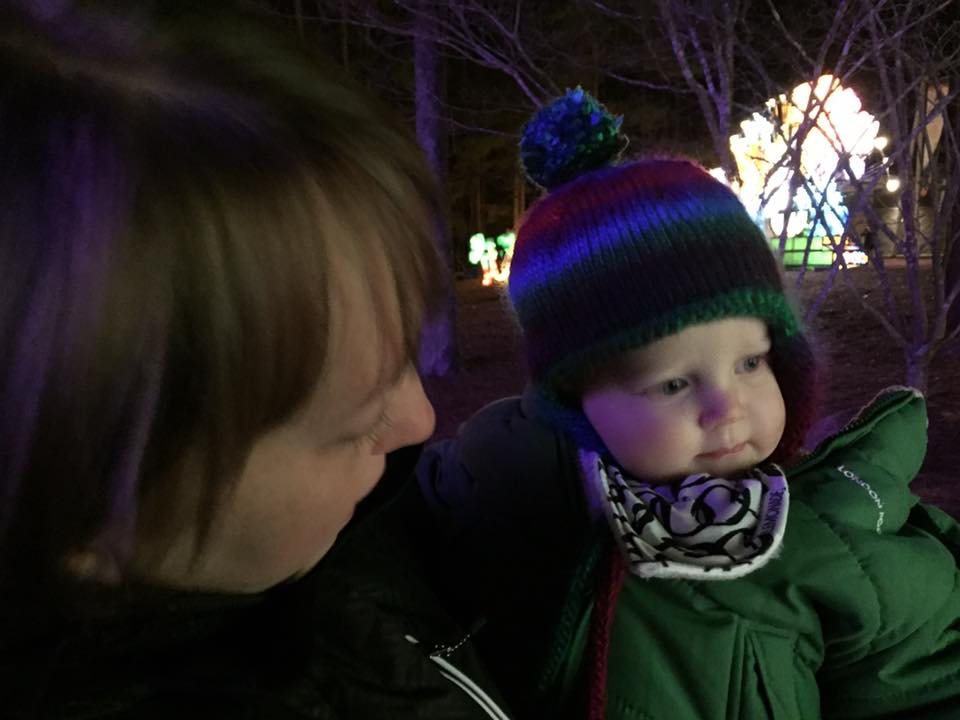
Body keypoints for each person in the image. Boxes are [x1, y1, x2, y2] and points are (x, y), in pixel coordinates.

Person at [0, 3, 511, 718]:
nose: (421, 420)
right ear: (91, 520)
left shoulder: (313, 534)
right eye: (354, 428)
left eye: (404, 357)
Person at [416, 88, 960, 719]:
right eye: (673, 384)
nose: (727, 408)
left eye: (751, 363)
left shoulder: (832, 532)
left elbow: (928, 682)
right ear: (574, 399)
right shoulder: (494, 496)